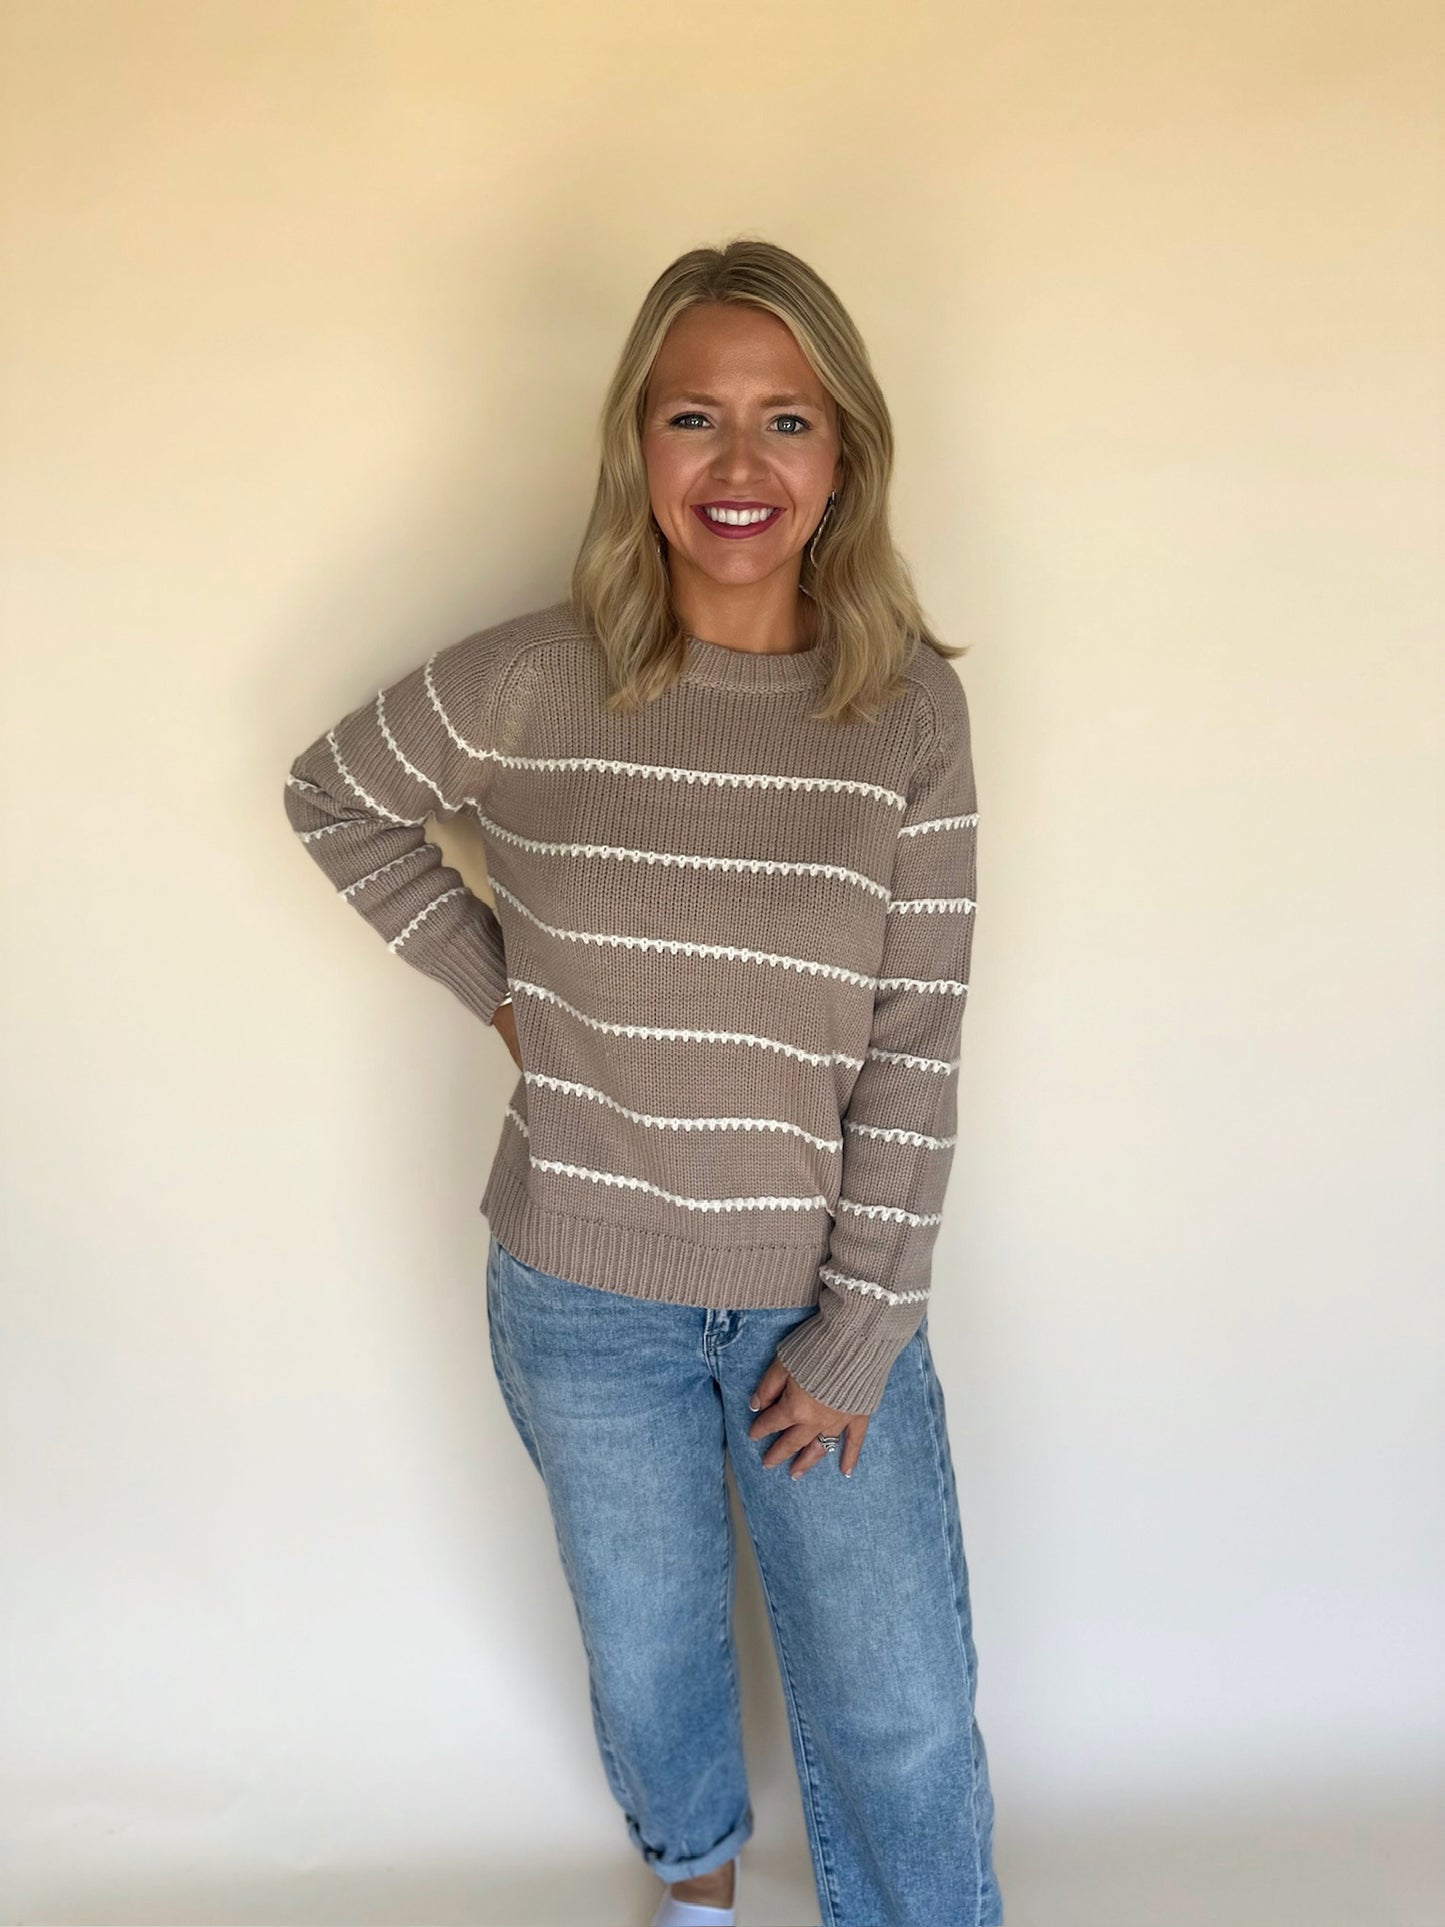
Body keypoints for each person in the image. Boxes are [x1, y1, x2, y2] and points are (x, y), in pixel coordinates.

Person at [284, 238, 1002, 1927]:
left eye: (785, 421)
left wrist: (856, 1333)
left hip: (822, 1306)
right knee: (652, 1658)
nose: (739, 466)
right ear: (638, 448)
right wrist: (502, 994)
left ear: (843, 458)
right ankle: (694, 1896)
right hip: (578, 1296)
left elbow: (917, 1038)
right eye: (695, 418)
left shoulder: (901, 716)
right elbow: (334, 797)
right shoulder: (534, 682)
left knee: (899, 1709)